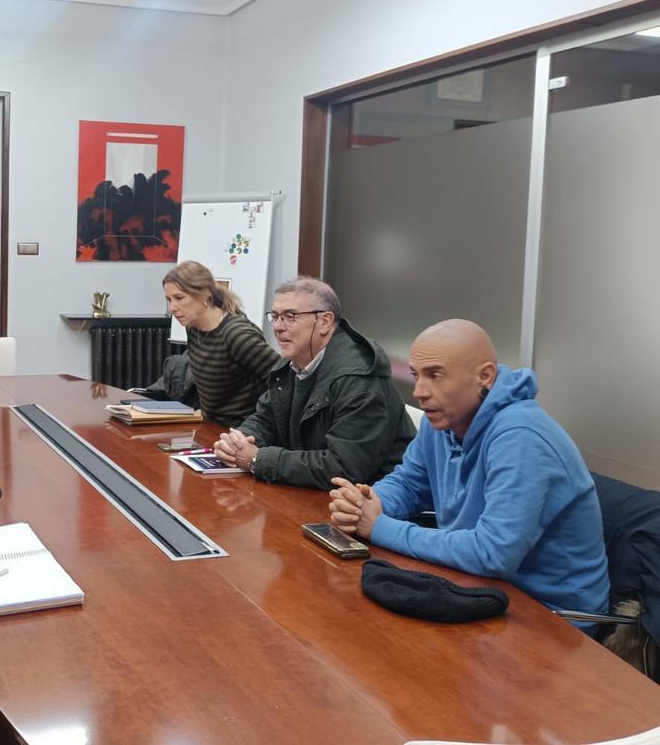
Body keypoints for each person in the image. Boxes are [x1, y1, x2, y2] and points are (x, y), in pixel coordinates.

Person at [328, 319, 608, 619]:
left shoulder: (522, 437)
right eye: (416, 375)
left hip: (550, 618)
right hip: (476, 587)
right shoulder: (444, 419)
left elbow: (492, 553)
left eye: (435, 375)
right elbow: (409, 483)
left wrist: (379, 526)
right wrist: (369, 502)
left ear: (484, 377)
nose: (419, 392)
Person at [213, 276, 413, 489]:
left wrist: (258, 459)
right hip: (315, 492)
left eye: (290, 317)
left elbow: (344, 467)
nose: (278, 327)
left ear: (324, 322)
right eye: (276, 316)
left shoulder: (358, 379)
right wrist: (239, 441)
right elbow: (266, 419)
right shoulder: (291, 363)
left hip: (374, 502)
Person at [162, 260, 280, 426]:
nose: (172, 308)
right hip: (211, 426)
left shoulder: (237, 335)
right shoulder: (193, 327)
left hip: (243, 433)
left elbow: (284, 378)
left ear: (204, 295)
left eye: (179, 298)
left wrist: (259, 425)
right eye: (169, 300)